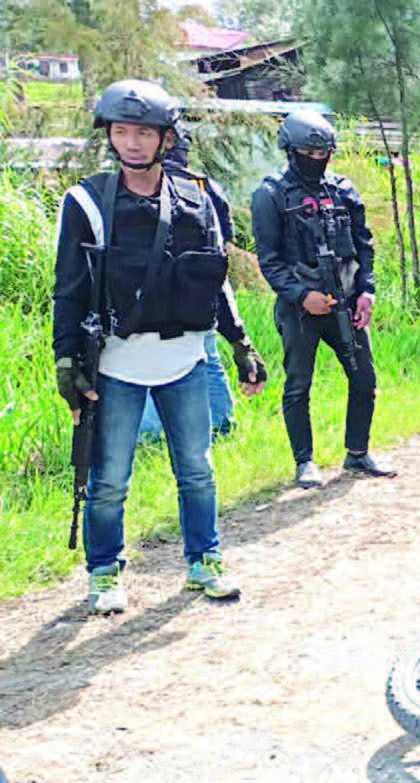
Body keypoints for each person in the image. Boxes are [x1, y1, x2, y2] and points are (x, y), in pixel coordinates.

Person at [53, 80, 265, 613]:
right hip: (118, 364)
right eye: (121, 131)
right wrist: (65, 360)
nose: (131, 143)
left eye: (143, 133)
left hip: (186, 358)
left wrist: (240, 343)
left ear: (165, 139)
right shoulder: (86, 201)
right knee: (110, 480)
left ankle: (205, 560)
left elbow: (215, 278)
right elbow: (69, 287)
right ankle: (104, 571)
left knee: (196, 468)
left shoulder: (199, 195)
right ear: (109, 136)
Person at [252, 110, 395, 489]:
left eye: (323, 153)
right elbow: (270, 261)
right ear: (291, 150)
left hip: (346, 303)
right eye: (308, 153)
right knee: (299, 384)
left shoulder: (343, 190)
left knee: (364, 379)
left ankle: (358, 453)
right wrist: (302, 296)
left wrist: (367, 290)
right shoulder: (270, 195)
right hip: (300, 308)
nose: (317, 160)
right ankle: (305, 462)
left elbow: (364, 245)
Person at [139, 130, 258, 440]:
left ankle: (154, 435)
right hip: (203, 286)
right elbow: (225, 238)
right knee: (207, 358)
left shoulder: (141, 186)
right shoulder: (206, 186)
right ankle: (221, 422)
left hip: (158, 292)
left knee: (151, 365)